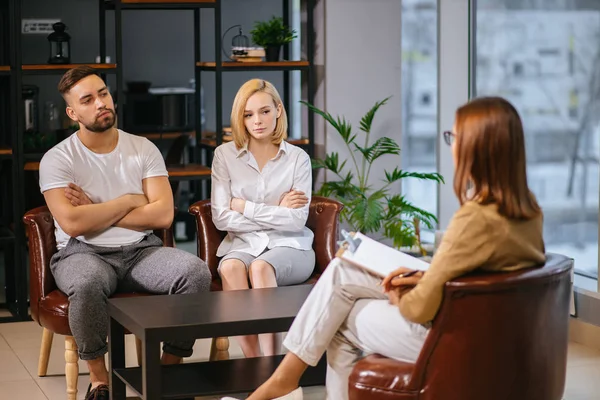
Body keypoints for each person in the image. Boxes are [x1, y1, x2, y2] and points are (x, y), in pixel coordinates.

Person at [224, 96, 546, 400]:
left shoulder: (474, 219)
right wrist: (424, 277)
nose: (452, 146)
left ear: (478, 149)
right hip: (488, 334)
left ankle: (282, 381)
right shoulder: (528, 213)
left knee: (339, 317)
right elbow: (476, 277)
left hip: (452, 338)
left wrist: (401, 294)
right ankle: (284, 380)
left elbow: (420, 310)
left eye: (455, 137)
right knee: (343, 270)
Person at [39, 66, 212, 400]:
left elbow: (162, 215)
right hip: (82, 251)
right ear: (73, 112)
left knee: (195, 272)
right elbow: (73, 224)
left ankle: (166, 372)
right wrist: (131, 201)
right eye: (87, 100)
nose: (100, 103)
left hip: (141, 251)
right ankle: (100, 381)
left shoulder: (142, 148)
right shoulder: (58, 159)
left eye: (103, 93)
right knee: (87, 283)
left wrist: (97, 209)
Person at [211, 79, 315, 358]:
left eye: (265, 111)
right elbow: (221, 217)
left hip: (292, 246)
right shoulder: (224, 155)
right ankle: (253, 362)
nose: (257, 121)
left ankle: (271, 363)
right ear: (240, 118)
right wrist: (277, 211)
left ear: (279, 110)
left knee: (260, 267)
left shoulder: (298, 159)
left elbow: (295, 222)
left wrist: (244, 206)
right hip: (243, 243)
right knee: (231, 268)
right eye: (248, 114)